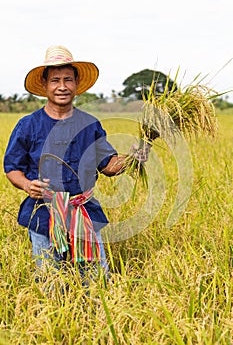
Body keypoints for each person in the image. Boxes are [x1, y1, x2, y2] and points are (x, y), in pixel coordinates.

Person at [4, 45, 150, 283]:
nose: (62, 86)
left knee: (95, 282)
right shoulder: (28, 125)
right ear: (44, 85)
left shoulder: (89, 124)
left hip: (84, 213)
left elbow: (108, 165)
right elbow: (12, 168)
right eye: (55, 80)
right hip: (44, 215)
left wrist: (132, 159)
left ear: (76, 84)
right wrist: (28, 185)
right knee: (50, 282)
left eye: (68, 80)